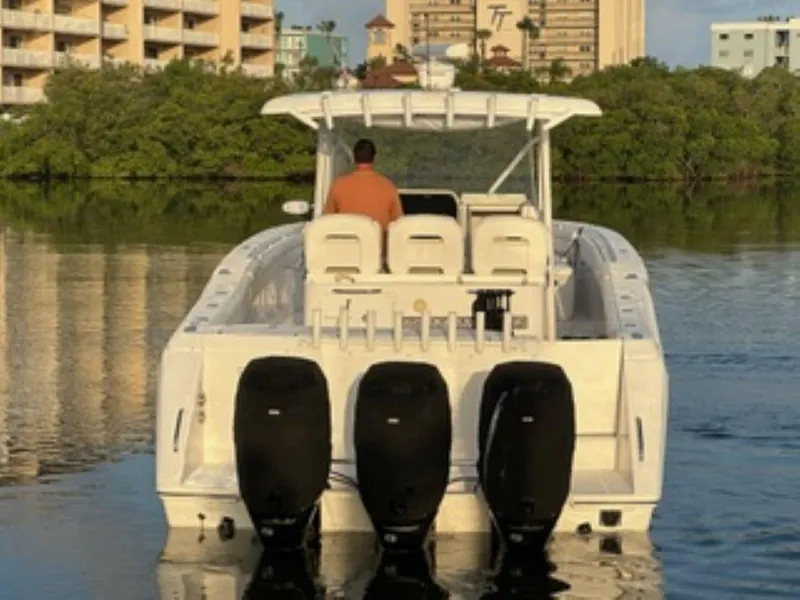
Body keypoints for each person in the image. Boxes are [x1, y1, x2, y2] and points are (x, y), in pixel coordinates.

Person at [323, 138, 403, 231]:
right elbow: (398, 225)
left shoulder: (338, 186)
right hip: (377, 245)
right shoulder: (388, 187)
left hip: (347, 244)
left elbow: (326, 222)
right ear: (374, 158)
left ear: (354, 157)